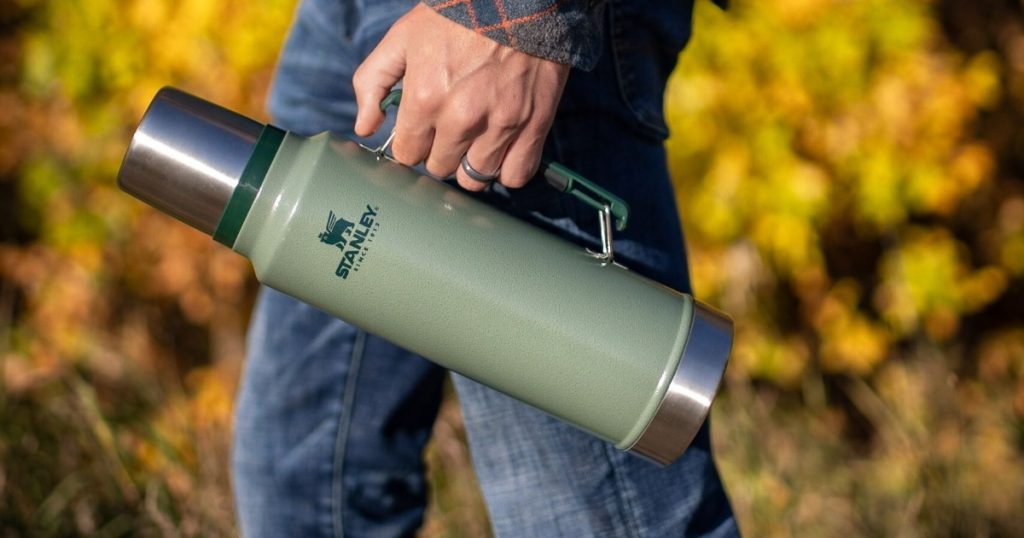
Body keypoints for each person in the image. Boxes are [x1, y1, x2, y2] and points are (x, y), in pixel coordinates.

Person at [231, 0, 739, 535]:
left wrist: (522, 18)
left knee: (597, 509)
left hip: (487, 29)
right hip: (350, 21)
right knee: (303, 492)